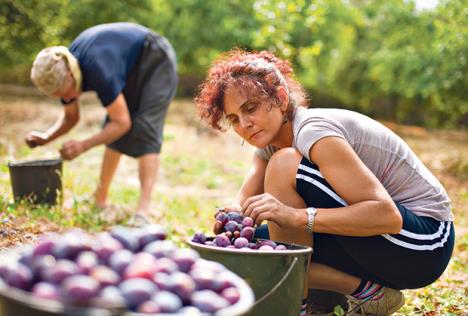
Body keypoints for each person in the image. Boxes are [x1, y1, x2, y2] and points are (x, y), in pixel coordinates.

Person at [194, 49, 454, 315]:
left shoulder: (313, 131)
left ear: (281, 98)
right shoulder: (269, 145)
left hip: (423, 244)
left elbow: (387, 216)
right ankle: (361, 293)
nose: (245, 124)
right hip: (374, 243)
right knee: (245, 253)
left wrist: (296, 217)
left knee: (284, 169)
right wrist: (232, 214)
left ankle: (298, 305)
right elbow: (242, 202)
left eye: (251, 108)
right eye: (234, 119)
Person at [27, 22, 178, 220]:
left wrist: (83, 145)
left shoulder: (98, 70)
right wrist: (46, 137)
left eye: (65, 93)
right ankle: (100, 197)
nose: (68, 98)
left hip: (155, 57)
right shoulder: (64, 65)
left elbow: (122, 123)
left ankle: (144, 209)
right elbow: (71, 117)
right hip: (130, 64)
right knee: (112, 126)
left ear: (71, 77)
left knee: (145, 127)